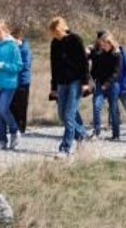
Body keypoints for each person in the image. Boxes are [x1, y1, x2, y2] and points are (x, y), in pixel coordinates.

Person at [48, 17, 90, 157]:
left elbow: (84, 62)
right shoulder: (54, 43)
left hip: (76, 81)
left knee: (69, 114)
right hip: (61, 82)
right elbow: (53, 66)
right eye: (54, 33)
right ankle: (82, 134)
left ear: (63, 29)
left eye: (57, 32)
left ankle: (65, 148)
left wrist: (85, 83)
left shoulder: (75, 40)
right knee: (62, 114)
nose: (56, 35)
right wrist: (53, 87)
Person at [0, 20, 22, 151]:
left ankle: (14, 131)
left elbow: (18, 66)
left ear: (5, 31)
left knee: (3, 108)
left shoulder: (12, 46)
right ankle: (2, 140)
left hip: (9, 83)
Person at [90, 31, 123, 141]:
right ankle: (96, 132)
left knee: (113, 110)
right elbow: (95, 67)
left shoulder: (117, 55)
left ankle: (116, 135)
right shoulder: (100, 54)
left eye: (105, 44)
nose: (103, 46)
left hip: (113, 85)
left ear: (111, 43)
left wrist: (107, 84)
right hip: (99, 84)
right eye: (102, 44)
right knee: (96, 106)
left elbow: (116, 73)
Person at [10, 28, 33, 135]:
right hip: (12, 81)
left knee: (22, 104)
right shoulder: (12, 48)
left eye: (15, 39)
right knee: (12, 104)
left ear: (20, 39)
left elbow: (26, 65)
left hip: (23, 81)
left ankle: (21, 126)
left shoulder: (25, 49)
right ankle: (13, 125)